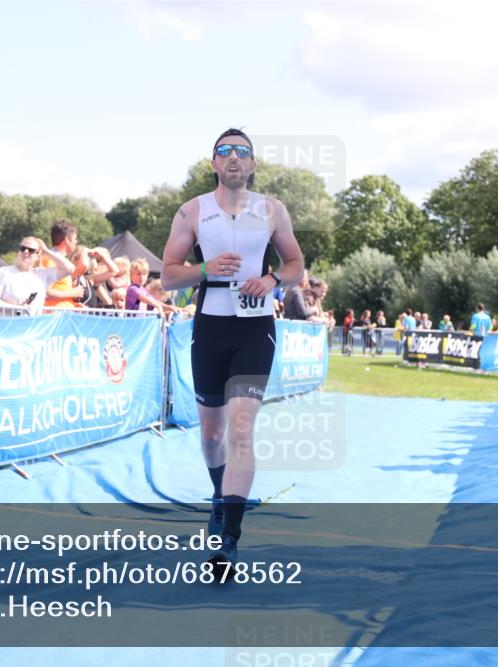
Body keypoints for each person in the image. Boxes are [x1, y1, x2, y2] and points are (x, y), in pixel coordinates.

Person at [160, 128, 305, 572]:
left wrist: (273, 280)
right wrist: (203, 268)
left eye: (243, 152)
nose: (234, 158)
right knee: (211, 435)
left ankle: (228, 538)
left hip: (255, 328)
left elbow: (296, 265)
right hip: (210, 326)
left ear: (253, 164)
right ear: (214, 164)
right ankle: (220, 499)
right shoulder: (191, 211)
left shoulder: (273, 210)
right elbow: (167, 276)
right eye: (225, 152)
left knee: (241, 430)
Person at [0, 237, 74, 314]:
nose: (26, 252)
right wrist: (18, 310)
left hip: (33, 329)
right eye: (22, 248)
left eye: (31, 250)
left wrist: (46, 251)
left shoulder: (42, 274)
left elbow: (69, 269)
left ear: (38, 256)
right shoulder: (2, 272)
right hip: (7, 328)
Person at [43, 220, 81, 309]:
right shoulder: (51, 261)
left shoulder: (57, 260)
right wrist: (73, 292)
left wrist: (75, 305)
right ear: (67, 240)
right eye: (75, 239)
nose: (76, 242)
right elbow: (45, 292)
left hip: (62, 315)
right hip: (55, 317)